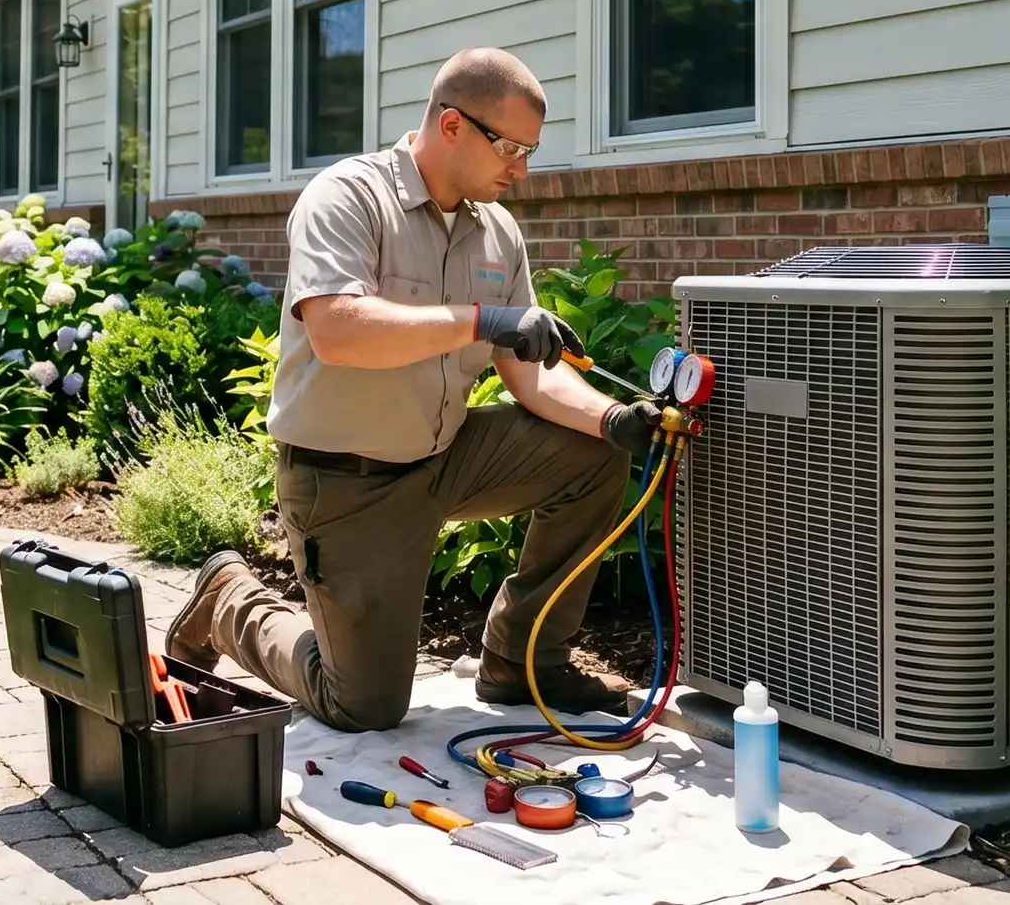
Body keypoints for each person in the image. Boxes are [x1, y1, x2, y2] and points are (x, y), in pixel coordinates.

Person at [164, 47, 665, 732]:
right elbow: (339, 329)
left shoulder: (497, 231)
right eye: (511, 148)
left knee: (592, 452)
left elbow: (528, 372)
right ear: (453, 125)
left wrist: (612, 419)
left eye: (530, 151)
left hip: (447, 455)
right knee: (363, 704)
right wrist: (482, 321)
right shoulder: (348, 196)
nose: (522, 169)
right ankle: (230, 600)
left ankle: (523, 662)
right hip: (347, 483)